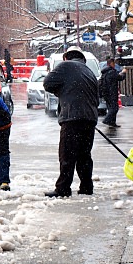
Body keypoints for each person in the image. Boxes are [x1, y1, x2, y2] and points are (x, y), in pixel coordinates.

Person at [42, 46, 99, 197]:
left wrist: (61, 92)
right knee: (84, 155)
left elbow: (47, 83)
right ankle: (86, 187)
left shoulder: (66, 66)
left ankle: (63, 188)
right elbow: (96, 97)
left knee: (67, 155)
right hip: (89, 119)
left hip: (72, 118)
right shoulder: (89, 72)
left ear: (66, 57)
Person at [99, 57, 126, 127]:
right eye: (114, 63)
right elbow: (120, 78)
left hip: (106, 93)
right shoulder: (111, 72)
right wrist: (124, 73)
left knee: (110, 107)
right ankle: (107, 120)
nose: (115, 64)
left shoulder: (105, 72)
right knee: (114, 108)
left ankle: (112, 122)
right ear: (111, 63)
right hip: (112, 93)